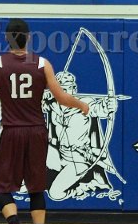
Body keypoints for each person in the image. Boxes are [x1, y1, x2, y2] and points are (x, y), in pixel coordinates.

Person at [0, 19, 89, 224]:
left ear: (7, 38)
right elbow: (61, 97)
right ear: (29, 37)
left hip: (11, 131)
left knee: (0, 185)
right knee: (36, 187)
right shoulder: (43, 63)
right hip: (36, 131)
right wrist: (81, 105)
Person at [44, 71, 120, 201]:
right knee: (25, 185)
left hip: (78, 159)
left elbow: (101, 109)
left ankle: (81, 188)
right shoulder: (52, 104)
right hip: (56, 156)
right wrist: (41, 95)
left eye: (65, 89)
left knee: (55, 193)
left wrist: (109, 106)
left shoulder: (85, 103)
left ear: (73, 89)